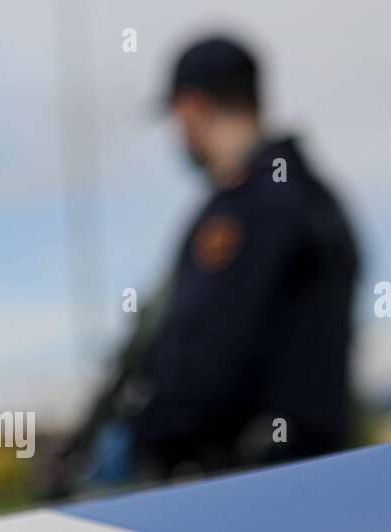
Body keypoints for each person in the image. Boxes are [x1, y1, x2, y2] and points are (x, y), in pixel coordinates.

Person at [60, 35, 359, 490]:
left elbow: (205, 361)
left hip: (247, 484)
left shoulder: (250, 209)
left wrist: (140, 437)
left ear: (193, 108)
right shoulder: (308, 193)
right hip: (303, 480)